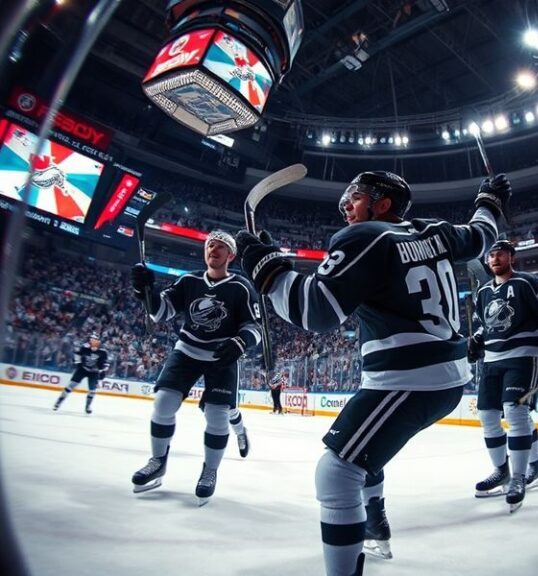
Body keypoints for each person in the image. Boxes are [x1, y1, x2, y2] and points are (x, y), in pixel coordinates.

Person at [237, 170, 506, 575]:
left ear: (382, 205)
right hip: (440, 374)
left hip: (410, 377)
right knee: (364, 454)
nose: (345, 205)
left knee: (337, 471)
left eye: (356, 198)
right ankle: (375, 521)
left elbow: (315, 311)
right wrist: (489, 199)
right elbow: (481, 233)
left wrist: (267, 270)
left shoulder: (366, 237)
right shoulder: (435, 231)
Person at [129, 230, 262, 506]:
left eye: (220, 246)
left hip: (221, 356)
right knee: (163, 403)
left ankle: (210, 471)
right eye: (209, 244)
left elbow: (254, 327)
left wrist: (240, 343)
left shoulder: (240, 287)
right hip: (187, 349)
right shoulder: (188, 281)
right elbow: (161, 311)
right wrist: (145, 291)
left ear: (231, 255)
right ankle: (158, 461)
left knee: (217, 415)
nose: (213, 248)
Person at [467, 240, 538, 511]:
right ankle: (501, 470)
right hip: (492, 361)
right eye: (491, 254)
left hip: (523, 357)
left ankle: (518, 478)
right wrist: (476, 341)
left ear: (511, 256)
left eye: (500, 253)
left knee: (514, 413)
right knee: (488, 416)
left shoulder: (526, 282)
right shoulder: (482, 292)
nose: (495, 257)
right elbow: (484, 325)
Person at [52, 333, 110, 414]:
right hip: (82, 370)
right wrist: (78, 364)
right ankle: (58, 402)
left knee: (92, 390)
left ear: (98, 341)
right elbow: (77, 355)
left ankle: (88, 406)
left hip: (94, 372)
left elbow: (105, 366)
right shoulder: (84, 347)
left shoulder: (103, 351)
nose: (91, 341)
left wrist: (100, 377)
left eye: (94, 339)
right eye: (90, 339)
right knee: (70, 386)